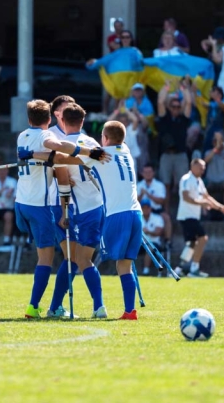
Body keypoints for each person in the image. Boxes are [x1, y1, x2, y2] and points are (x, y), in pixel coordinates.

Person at [27, 119, 142, 319]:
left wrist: (32, 155)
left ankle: (97, 307)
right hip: (136, 213)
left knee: (83, 259)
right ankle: (129, 311)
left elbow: (63, 157)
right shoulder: (126, 152)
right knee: (125, 265)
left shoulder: (101, 156)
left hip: (116, 215)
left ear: (104, 138)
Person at [15, 99, 107, 319]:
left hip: (38, 203)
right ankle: (90, 306)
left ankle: (48, 306)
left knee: (70, 259)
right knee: (78, 259)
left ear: (61, 118)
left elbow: (59, 162)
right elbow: (59, 156)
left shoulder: (25, 136)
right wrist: (87, 155)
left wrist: (36, 157)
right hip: (86, 207)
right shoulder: (89, 141)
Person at [46, 103, 108, 318]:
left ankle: (59, 307)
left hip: (76, 210)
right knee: (78, 259)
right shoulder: (93, 143)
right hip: (98, 207)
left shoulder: (61, 146)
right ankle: (95, 307)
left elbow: (63, 183)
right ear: (83, 121)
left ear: (62, 121)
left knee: (75, 259)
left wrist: (64, 213)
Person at [176, 159, 224, 278]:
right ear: (193, 166)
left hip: (193, 216)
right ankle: (194, 269)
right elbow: (186, 198)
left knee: (192, 244)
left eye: (204, 167)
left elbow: (207, 197)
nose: (203, 170)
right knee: (203, 238)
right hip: (186, 216)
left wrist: (221, 208)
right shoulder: (186, 179)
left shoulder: (199, 181)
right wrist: (201, 203)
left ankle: (179, 269)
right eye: (200, 167)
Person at [156, 80, 192, 209]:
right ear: (169, 107)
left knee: (183, 184)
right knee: (165, 184)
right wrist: (166, 87)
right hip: (166, 154)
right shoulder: (164, 118)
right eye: (173, 106)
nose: (176, 108)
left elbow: (188, 102)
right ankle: (166, 210)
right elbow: (160, 101)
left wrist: (184, 88)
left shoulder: (183, 119)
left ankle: (184, 210)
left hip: (180, 155)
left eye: (178, 106)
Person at [137, 163, 171, 247]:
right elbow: (134, 202)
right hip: (142, 210)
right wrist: (141, 194)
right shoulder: (138, 185)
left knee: (166, 218)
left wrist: (148, 194)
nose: (148, 174)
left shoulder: (159, 185)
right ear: (142, 173)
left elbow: (161, 201)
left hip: (156, 210)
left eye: (150, 172)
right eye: (146, 172)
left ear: (153, 173)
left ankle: (167, 241)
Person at [204, 132, 224, 206]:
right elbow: (205, 160)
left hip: (223, 180)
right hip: (211, 180)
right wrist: (216, 148)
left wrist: (223, 143)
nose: (217, 142)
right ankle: (205, 212)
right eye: (215, 140)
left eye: (218, 140)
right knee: (201, 185)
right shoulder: (209, 152)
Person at [140, 201, 164, 275]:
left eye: (147, 208)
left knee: (149, 247)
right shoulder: (138, 218)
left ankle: (146, 271)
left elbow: (158, 233)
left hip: (155, 243)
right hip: (140, 243)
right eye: (143, 208)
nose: (145, 209)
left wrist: (148, 231)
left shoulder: (157, 218)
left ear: (150, 209)